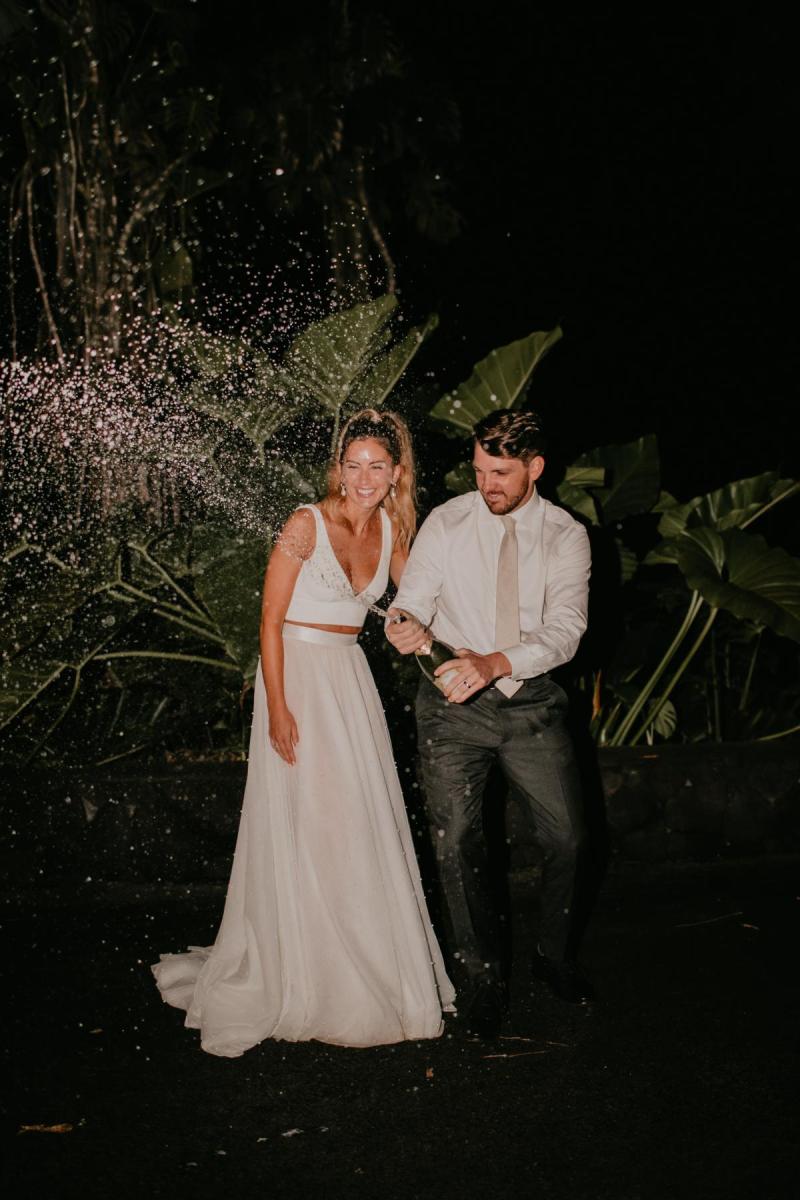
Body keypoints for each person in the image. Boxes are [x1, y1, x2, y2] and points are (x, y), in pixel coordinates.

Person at [153, 409, 454, 1056]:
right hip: (295, 679)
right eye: (354, 466)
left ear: (396, 473)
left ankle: (367, 967)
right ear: (337, 470)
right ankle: (307, 969)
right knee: (312, 819)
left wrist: (430, 633)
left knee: (355, 822)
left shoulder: (393, 533)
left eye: (379, 466)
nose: (365, 478)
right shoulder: (304, 523)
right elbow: (267, 621)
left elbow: (424, 600)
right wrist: (280, 709)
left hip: (349, 682)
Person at [386, 408, 592, 1039]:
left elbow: (566, 631)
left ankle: (551, 956)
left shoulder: (566, 535)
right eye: (479, 470)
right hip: (454, 710)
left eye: (500, 473)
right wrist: (405, 623)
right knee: (457, 844)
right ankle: (481, 981)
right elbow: (414, 598)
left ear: (535, 467)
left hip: (531, 706)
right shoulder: (448, 522)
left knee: (569, 840)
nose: (487, 485)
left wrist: (496, 661)